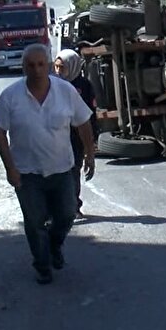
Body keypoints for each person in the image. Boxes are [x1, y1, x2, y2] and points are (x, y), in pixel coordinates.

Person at [0, 44, 95, 285]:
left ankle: (54, 245)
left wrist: (90, 154)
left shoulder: (66, 91)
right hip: (27, 173)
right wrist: (10, 168)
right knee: (35, 221)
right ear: (23, 67)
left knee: (67, 214)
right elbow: (0, 133)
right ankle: (42, 265)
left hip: (62, 169)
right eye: (31, 65)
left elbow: (83, 123)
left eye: (41, 64)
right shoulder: (10, 96)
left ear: (48, 66)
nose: (36, 70)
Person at [53, 49, 97, 217]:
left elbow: (89, 116)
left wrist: (90, 146)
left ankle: (73, 205)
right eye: (56, 67)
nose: (58, 71)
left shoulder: (84, 86)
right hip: (56, 137)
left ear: (72, 66)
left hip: (76, 137)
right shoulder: (52, 85)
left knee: (73, 172)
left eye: (62, 67)